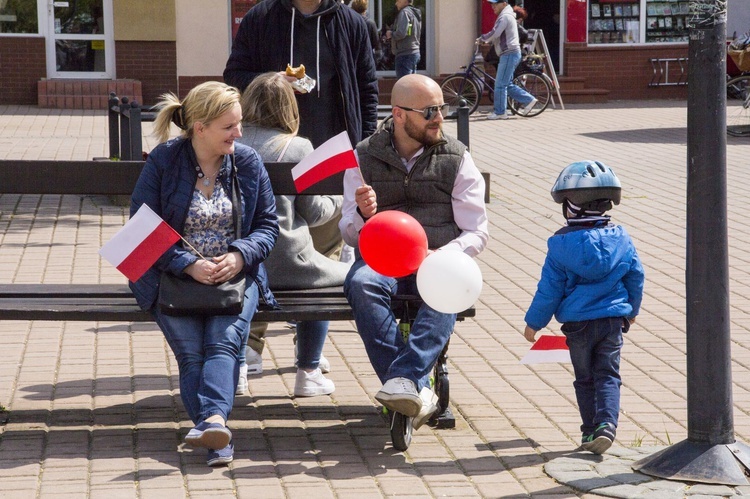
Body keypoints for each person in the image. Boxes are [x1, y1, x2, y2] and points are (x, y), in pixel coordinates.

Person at [129, 81, 279, 467]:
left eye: (239, 124)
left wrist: (239, 255)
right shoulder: (165, 160)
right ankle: (216, 433)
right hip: (170, 274)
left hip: (233, 275)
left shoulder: (246, 162)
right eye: (229, 126)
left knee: (224, 343)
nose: (239, 133)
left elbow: (266, 225)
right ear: (200, 128)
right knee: (192, 351)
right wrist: (188, 264)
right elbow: (140, 228)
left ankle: (212, 423)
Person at [340, 74, 489, 431]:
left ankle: (403, 381)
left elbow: (477, 230)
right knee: (361, 283)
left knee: (447, 283)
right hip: (382, 261)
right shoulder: (362, 157)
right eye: (430, 111)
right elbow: (347, 235)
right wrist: (362, 215)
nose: (440, 117)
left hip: (437, 258)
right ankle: (414, 388)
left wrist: (444, 254)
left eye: (442, 108)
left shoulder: (456, 158)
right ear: (400, 114)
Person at [236, 72, 350, 397]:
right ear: (289, 107)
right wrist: (338, 197)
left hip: (239, 265)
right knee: (336, 275)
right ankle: (309, 370)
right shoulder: (298, 147)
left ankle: (241, 364)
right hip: (291, 265)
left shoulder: (229, 143)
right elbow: (315, 214)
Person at [523, 160, 644, 455]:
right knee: (608, 375)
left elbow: (549, 290)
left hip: (578, 326)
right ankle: (607, 425)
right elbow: (636, 275)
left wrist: (534, 322)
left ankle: (589, 430)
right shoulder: (622, 239)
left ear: (572, 207)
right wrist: (632, 310)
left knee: (585, 377)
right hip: (613, 320)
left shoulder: (560, 246)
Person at [223, 0, 379, 149]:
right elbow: (234, 75)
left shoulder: (352, 24)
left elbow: (368, 90)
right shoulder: (259, 18)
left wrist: (365, 146)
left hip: (335, 148)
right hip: (275, 147)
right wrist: (271, 82)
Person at [477, 0, 537, 120]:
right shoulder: (506, 15)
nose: (493, 6)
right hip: (510, 53)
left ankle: (500, 112)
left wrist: (483, 39)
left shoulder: (505, 17)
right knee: (506, 84)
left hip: (509, 53)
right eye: (491, 4)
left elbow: (495, 33)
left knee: (500, 85)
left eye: (495, 3)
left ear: (504, 3)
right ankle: (529, 100)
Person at [387, 0, 422, 78]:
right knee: (411, 83)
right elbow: (408, 32)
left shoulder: (404, 13)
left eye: (398, 1)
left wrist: (391, 34)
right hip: (414, 52)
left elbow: (401, 33)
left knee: (404, 84)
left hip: (404, 54)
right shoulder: (415, 13)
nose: (396, 3)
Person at [351, 0, 382, 68]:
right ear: (365, 9)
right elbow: (376, 43)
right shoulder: (370, 23)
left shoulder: (348, 23)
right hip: (367, 56)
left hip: (352, 57)